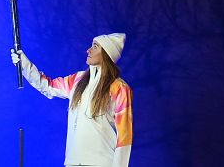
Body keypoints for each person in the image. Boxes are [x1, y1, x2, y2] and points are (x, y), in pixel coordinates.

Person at [11, 32, 133, 167]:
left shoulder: (119, 88)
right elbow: (47, 86)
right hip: (73, 162)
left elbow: (125, 134)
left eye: (95, 46)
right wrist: (24, 64)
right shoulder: (78, 80)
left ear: (106, 54)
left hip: (102, 162)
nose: (88, 50)